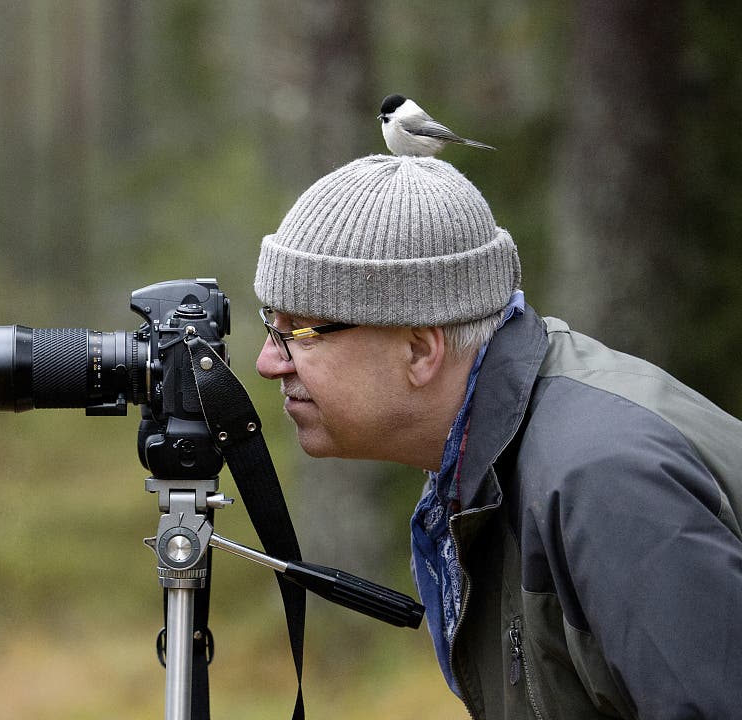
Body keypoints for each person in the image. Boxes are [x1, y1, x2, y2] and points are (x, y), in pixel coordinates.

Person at [251, 154, 742, 719]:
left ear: (419, 350)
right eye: (272, 325)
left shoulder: (603, 481)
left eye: (301, 331)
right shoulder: (489, 460)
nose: (269, 361)